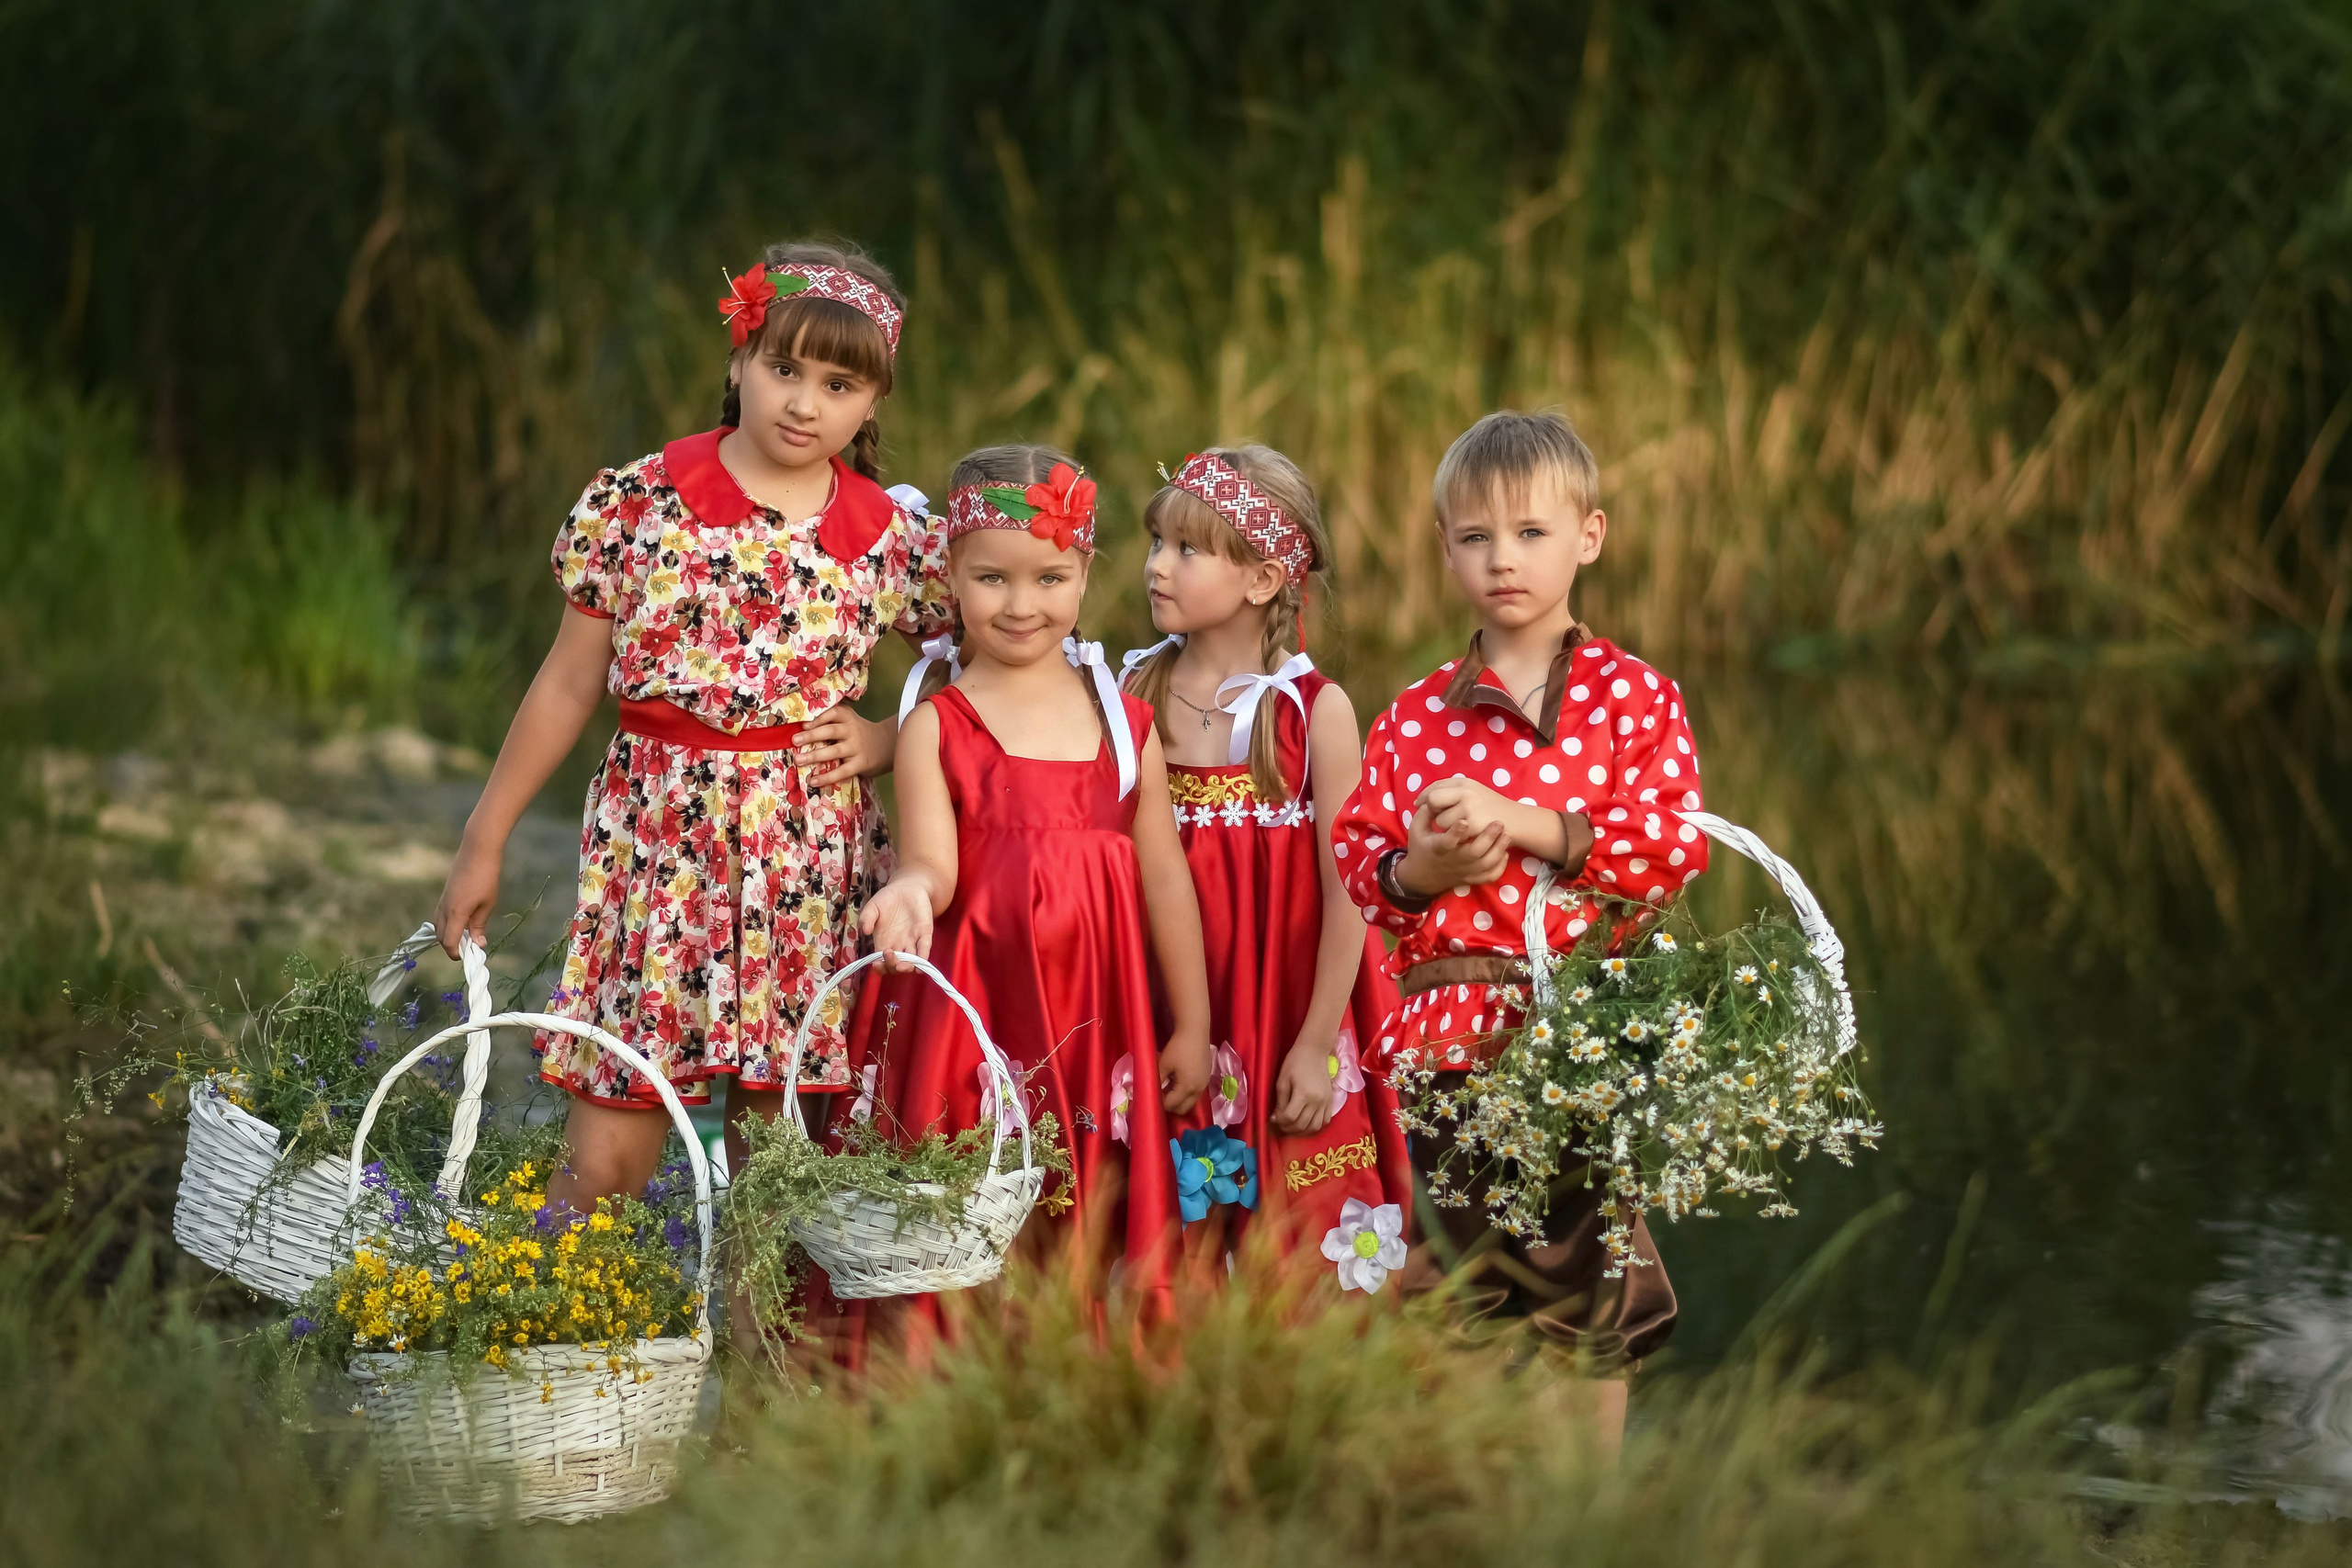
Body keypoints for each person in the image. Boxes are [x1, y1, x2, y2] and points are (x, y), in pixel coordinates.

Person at [431, 241, 949, 1211]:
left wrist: (885, 738)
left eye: (838, 384)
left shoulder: (893, 538)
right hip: (658, 861)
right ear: (736, 363)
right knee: (606, 1163)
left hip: (808, 870)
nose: (804, 403)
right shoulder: (639, 502)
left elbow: (995, 673)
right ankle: (563, 1352)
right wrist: (483, 836)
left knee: (778, 1176)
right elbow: (565, 682)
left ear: (872, 402)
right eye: (782, 368)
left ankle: (761, 1367)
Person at [1331, 410, 1711, 1426]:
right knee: (1455, 1280)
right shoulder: (1413, 715)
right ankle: (1467, 1508)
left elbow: (1673, 849)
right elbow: (1361, 868)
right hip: (1447, 1039)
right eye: (1475, 537)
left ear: (1588, 536)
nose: (1503, 559)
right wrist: (1423, 863)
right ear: (1446, 548)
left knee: (1585, 1289)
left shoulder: (1633, 699)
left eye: (1531, 533)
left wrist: (1526, 822)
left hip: (1577, 1030)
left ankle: (1576, 1520)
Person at [842, 443, 1215, 1344]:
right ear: (951, 577)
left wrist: (1192, 1023)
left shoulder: (1122, 724)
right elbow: (931, 861)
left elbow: (1163, 872)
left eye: (1048, 578)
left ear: (1084, 572)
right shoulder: (938, 723)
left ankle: (1089, 1391)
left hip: (1100, 1017)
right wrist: (907, 898)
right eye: (991, 580)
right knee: (972, 1200)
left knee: (1094, 1199)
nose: (1020, 605)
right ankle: (957, 1384)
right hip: (983, 1014)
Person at [1120, 446, 1412, 1283]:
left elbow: (1348, 888)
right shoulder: (1132, 691)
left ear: (1262, 579)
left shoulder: (1315, 711)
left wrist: (1319, 1041)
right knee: (1176, 1233)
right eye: (1156, 544)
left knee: (1308, 1235)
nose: (1157, 567)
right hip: (1174, 1004)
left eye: (1187, 549)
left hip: (1288, 1006)